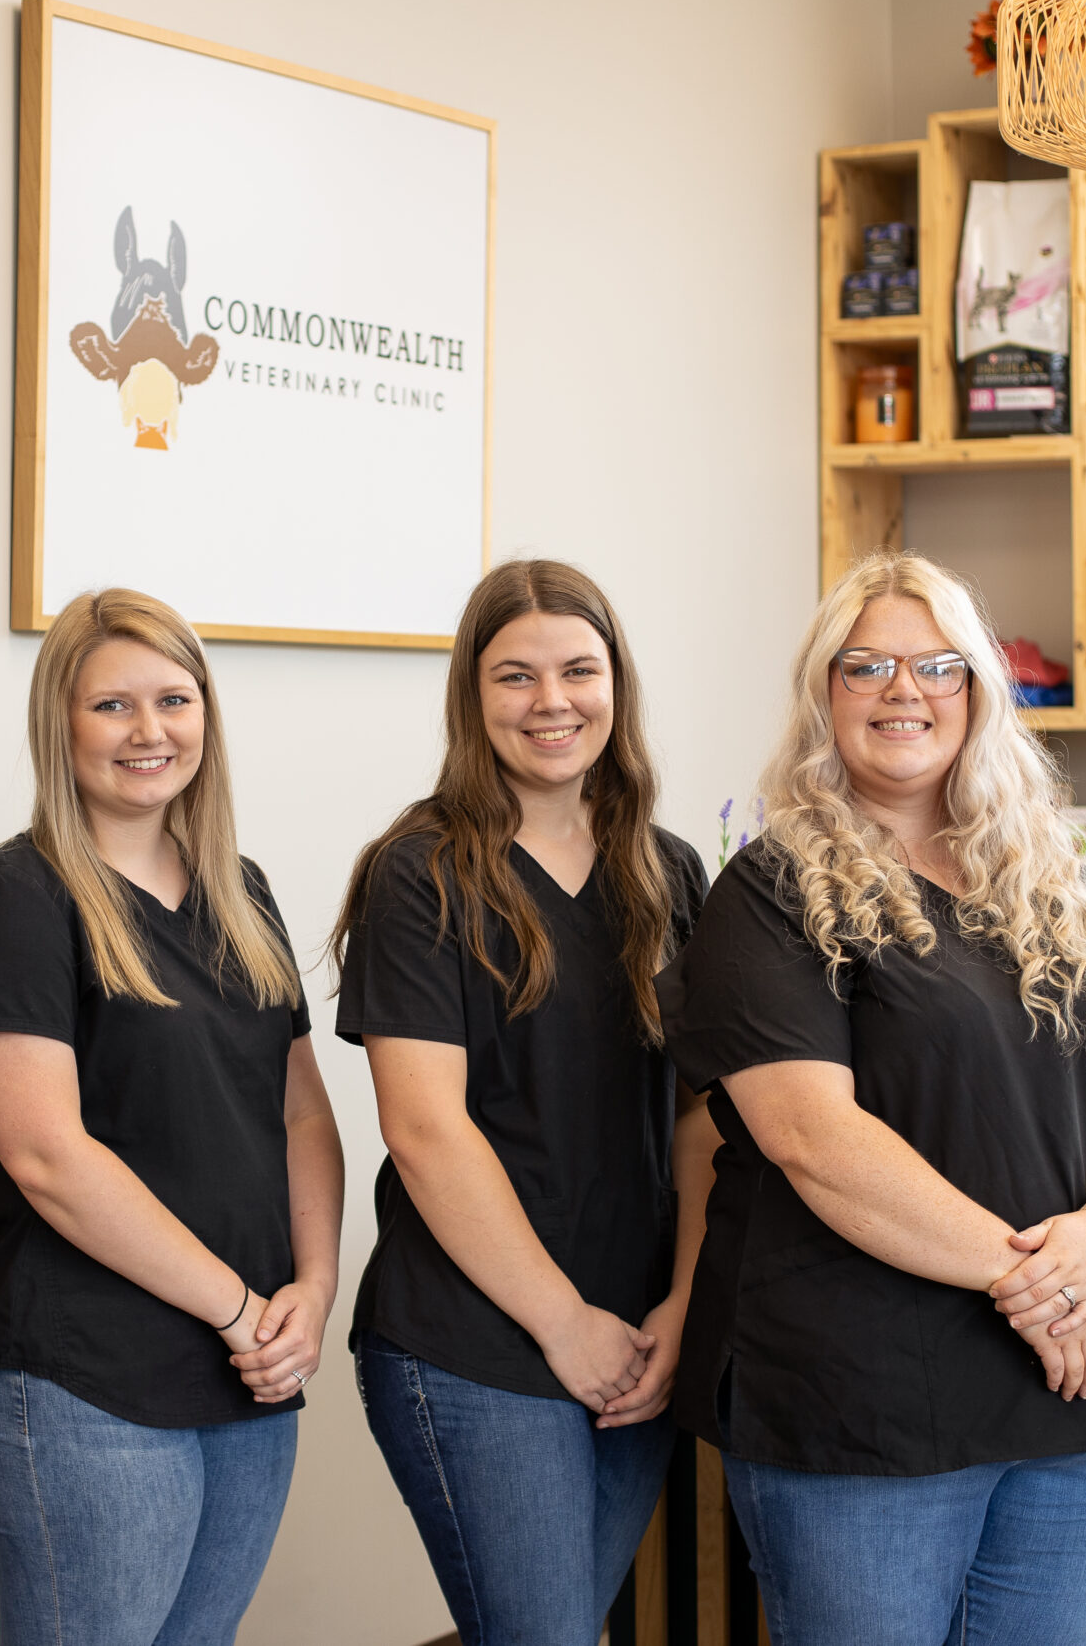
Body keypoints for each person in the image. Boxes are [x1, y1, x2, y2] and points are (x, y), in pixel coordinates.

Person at [657, 548, 1086, 1644]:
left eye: (938, 667)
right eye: (867, 668)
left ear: (978, 694)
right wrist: (1038, 1282)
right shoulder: (771, 888)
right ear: (823, 698)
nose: (905, 692)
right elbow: (811, 1136)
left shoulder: (1049, 875)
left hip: (1065, 1393)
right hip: (866, 1401)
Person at [0, 587, 345, 1646]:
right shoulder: (15, 899)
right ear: (58, 724)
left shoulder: (240, 892)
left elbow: (301, 1113)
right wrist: (236, 1307)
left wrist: (311, 1287)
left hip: (250, 1370)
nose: (150, 731)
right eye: (112, 705)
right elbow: (44, 1154)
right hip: (87, 1379)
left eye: (174, 698)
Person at [332, 559, 709, 1646]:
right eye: (516, 677)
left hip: (637, 1334)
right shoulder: (419, 874)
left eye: (578, 671)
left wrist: (680, 1304)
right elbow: (423, 1126)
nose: (552, 703)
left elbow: (698, 1116)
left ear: (616, 686)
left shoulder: (667, 873)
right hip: (475, 1340)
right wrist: (562, 1324)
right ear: (471, 694)